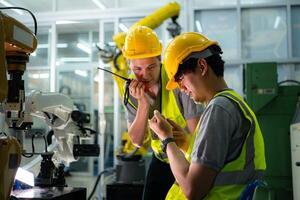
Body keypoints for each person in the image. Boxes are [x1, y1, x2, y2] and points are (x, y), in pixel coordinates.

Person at [149, 32, 266, 200]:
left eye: (180, 78)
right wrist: (185, 143)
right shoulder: (231, 103)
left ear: (202, 66)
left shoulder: (219, 109)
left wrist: (167, 140)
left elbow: (192, 190)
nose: (181, 88)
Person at [122, 26, 203, 200]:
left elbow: (198, 134)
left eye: (151, 67)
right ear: (129, 65)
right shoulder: (131, 89)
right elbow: (136, 141)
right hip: (161, 158)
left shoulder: (177, 78)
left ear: (160, 60)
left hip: (188, 157)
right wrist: (143, 103)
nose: (145, 75)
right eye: (138, 69)